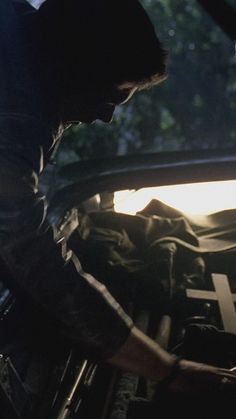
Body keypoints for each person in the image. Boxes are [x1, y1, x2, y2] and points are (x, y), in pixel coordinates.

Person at [0, 0, 235, 397]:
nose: (107, 116)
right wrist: (168, 369)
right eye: (112, 93)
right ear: (73, 65)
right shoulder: (15, 124)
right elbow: (35, 262)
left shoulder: (16, 25)